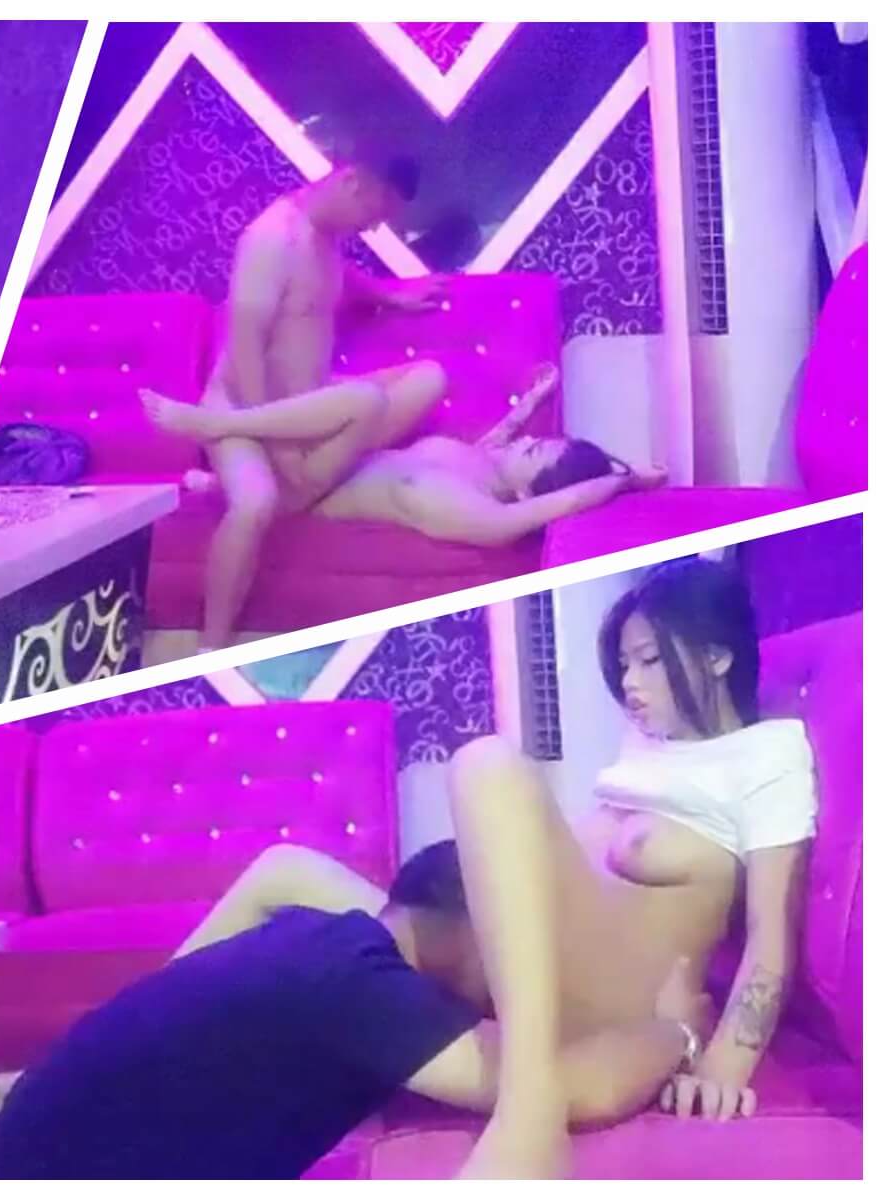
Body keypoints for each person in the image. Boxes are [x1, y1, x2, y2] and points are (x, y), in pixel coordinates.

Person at [198, 558, 814, 1177]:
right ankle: (160, 1046)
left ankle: (527, 1111)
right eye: (625, 664)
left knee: (487, 764)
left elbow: (771, 931)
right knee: (286, 872)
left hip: (620, 996)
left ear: (717, 657)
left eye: (649, 660)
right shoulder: (652, 745)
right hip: (540, 969)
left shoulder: (768, 754)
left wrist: (723, 1066)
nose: (630, 682)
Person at [0, 840, 705, 1180]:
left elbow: (283, 866)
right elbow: (574, 1088)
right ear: (477, 927)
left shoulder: (332, 942)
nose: (529, 973)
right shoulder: (366, 995)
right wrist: (679, 1029)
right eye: (520, 941)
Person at [186, 154, 449, 651]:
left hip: (310, 404)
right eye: (375, 213)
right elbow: (244, 352)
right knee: (255, 504)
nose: (373, 228)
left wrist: (389, 295)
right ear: (351, 182)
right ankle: (210, 646)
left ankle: (296, 482)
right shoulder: (270, 240)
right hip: (242, 409)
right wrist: (278, 442)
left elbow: (333, 278)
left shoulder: (326, 239)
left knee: (428, 380)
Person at [142, 360, 665, 551]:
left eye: (535, 452)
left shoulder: (484, 513)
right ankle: (228, 445)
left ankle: (218, 444)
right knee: (425, 377)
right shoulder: (483, 463)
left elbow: (568, 502)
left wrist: (626, 481)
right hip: (318, 457)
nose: (528, 440)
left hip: (299, 495)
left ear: (530, 493)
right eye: (538, 439)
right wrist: (531, 401)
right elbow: (502, 438)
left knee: (244, 386)